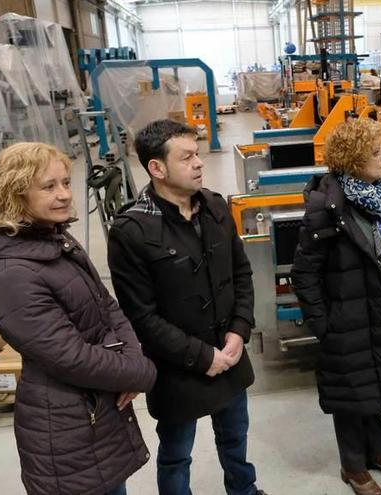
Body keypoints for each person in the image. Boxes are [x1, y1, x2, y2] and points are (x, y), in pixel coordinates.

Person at [0, 142, 157, 495]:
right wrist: (139, 372)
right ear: (15, 194)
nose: (65, 194)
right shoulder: (12, 275)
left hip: (97, 410)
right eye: (49, 186)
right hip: (67, 427)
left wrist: (131, 360)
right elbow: (69, 356)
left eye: (66, 182)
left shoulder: (56, 240)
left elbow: (108, 307)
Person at [107, 120, 267, 495]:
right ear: (156, 168)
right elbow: (141, 318)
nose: (199, 163)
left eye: (197, 154)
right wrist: (202, 356)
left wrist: (239, 331)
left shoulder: (213, 206)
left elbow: (242, 274)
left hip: (228, 354)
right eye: (187, 157)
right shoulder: (132, 231)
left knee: (236, 440)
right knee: (177, 454)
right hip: (178, 368)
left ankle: (243, 491)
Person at [291, 118, 381, 495]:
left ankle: (377, 452)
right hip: (346, 320)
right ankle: (353, 467)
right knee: (351, 396)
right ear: (352, 158)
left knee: (376, 385)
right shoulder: (327, 205)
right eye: (376, 151)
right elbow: (304, 273)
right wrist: (325, 325)